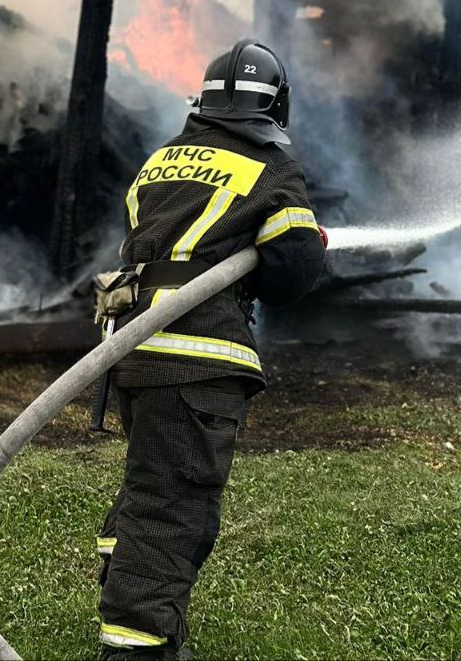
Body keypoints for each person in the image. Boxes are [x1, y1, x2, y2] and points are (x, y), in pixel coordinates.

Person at [96, 40, 327, 660]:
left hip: (134, 351)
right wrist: (310, 241)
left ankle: (122, 572)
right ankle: (136, 644)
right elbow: (291, 275)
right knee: (174, 501)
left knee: (151, 476)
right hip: (197, 356)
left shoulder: (161, 162)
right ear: (274, 107)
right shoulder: (269, 168)